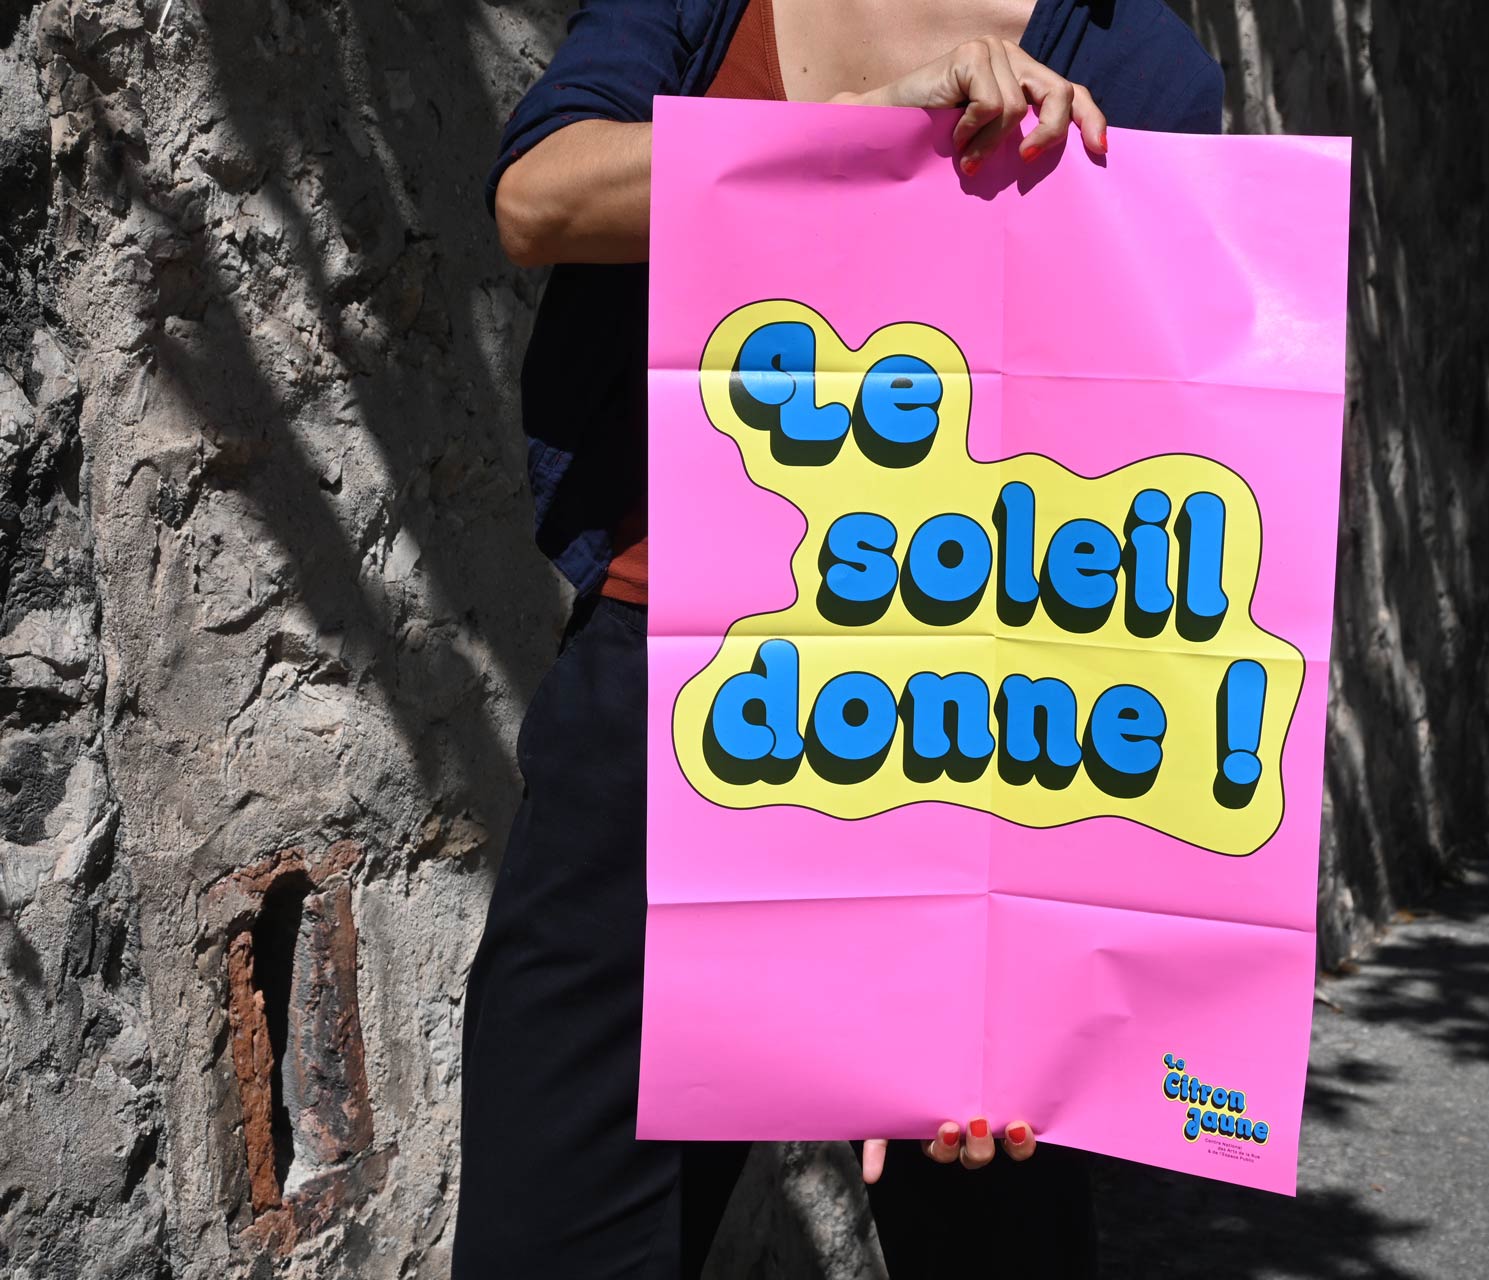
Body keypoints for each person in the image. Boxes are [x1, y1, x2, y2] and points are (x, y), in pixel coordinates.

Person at [454, 2, 1222, 1276]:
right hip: (666, 707)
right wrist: (860, 137)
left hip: (969, 744)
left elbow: (1125, 486)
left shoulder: (1139, 66)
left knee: (991, 1237)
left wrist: (988, 952)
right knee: (551, 1240)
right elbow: (540, 197)